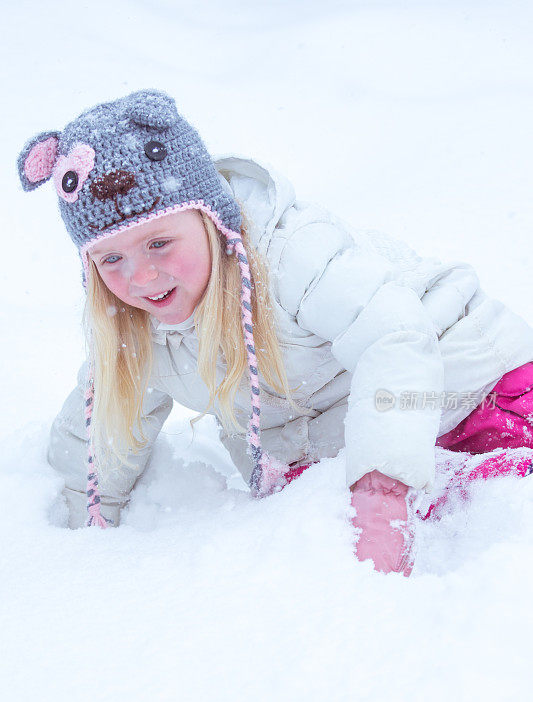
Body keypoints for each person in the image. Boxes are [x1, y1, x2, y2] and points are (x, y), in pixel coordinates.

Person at [16, 89, 533, 577]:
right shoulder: (135, 328)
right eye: (111, 258)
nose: (141, 276)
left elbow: (394, 339)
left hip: (468, 385)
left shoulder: (290, 254)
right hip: (333, 449)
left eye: (158, 244)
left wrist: (380, 489)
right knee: (318, 525)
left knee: (500, 492)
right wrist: (65, 533)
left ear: (210, 219)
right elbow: (100, 433)